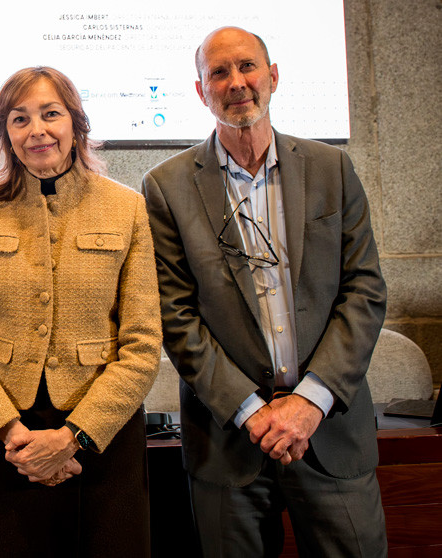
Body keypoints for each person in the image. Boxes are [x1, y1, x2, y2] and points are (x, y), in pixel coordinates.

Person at [142, 27, 388, 557]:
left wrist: (310, 402)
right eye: (219, 73)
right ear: (200, 89)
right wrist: (252, 410)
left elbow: (364, 291)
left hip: (330, 434)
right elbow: (175, 315)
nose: (236, 83)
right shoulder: (166, 187)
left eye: (248, 67)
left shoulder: (331, 169)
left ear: (272, 76)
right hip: (227, 443)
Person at [0, 66, 161, 556]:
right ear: (6, 134)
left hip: (101, 439)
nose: (36, 130)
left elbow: (142, 346)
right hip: (0, 441)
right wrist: (14, 434)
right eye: (20, 119)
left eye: (50, 114)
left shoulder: (127, 209)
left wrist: (73, 438)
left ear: (76, 123)